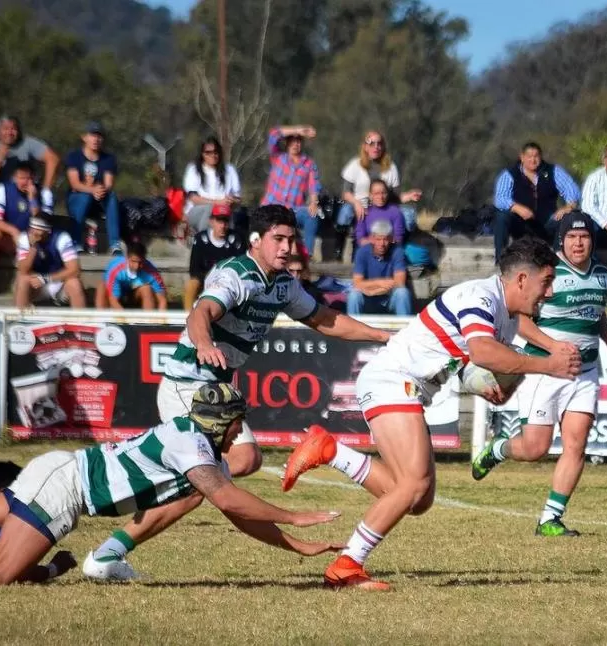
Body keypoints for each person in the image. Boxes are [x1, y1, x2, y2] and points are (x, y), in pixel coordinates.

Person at [82, 205, 391, 582]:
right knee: (213, 479)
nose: (286, 246)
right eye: (278, 239)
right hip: (188, 387)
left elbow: (325, 320)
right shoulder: (236, 275)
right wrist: (203, 344)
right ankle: (113, 545)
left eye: (291, 239)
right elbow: (201, 313)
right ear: (256, 241)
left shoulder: (283, 284)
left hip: (214, 391)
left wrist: (382, 337)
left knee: (241, 462)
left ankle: (120, 538)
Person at [281, 237, 582, 590]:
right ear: (521, 280)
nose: (548, 292)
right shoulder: (480, 297)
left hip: (404, 386)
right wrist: (548, 364)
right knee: (413, 485)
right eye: (546, 282)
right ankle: (347, 564)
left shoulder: (509, 316)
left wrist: (504, 384)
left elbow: (493, 364)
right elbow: (483, 352)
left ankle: (330, 450)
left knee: (416, 499)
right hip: (393, 380)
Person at [0, 383, 344, 585]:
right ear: (225, 422)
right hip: (65, 491)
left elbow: (238, 514)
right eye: (238, 424)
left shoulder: (197, 447)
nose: (240, 433)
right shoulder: (190, 444)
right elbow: (230, 501)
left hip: (59, 469)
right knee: (1, 572)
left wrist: (296, 545)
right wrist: (293, 515)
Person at [471, 212, 607, 536]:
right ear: (562, 240)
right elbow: (521, 321)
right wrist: (553, 345)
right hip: (545, 370)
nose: (578, 243)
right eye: (571, 237)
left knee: (576, 444)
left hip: (584, 372)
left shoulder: (602, 273)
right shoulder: (548, 274)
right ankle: (499, 448)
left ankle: (550, 519)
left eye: (584, 236)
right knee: (535, 449)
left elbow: (595, 314)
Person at [335, 130, 422, 258]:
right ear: (365, 146)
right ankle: (339, 250)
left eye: (379, 143)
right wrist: (356, 203)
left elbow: (395, 197)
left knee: (408, 214)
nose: (376, 147)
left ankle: (401, 249)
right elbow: (345, 193)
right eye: (372, 143)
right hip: (359, 205)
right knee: (345, 213)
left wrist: (409, 196)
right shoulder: (355, 165)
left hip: (383, 205)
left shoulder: (391, 167)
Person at [493, 142, 581, 262]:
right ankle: (501, 259)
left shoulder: (553, 171)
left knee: (568, 217)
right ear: (522, 157)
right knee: (501, 216)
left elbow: (573, 191)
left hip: (546, 224)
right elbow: (500, 199)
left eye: (536, 156)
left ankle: (560, 260)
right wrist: (516, 207)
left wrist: (569, 206)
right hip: (521, 225)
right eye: (529, 156)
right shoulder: (510, 174)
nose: (533, 160)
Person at [0, 162, 55, 293]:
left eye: (30, 178)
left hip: (34, 240)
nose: (27, 182)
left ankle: (27, 285)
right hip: (11, 239)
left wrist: (32, 199)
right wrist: (14, 231)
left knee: (38, 237)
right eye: (22, 178)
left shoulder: (44, 194)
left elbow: (43, 224)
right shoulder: (3, 189)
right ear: (15, 178)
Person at [0, 116, 60, 209]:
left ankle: (40, 218)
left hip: (24, 190)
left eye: (13, 129)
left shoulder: (28, 143)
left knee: (47, 196)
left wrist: (46, 189)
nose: (10, 133)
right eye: (6, 129)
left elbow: (53, 159)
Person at [261, 125, 322, 255]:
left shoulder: (308, 164)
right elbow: (273, 134)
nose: (296, 144)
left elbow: (314, 187)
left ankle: (306, 255)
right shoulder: (278, 157)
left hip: (293, 210)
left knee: (312, 215)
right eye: (292, 141)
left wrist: (313, 202)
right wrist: (299, 130)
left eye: (299, 141)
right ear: (287, 143)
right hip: (272, 206)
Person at [64, 121, 122, 254]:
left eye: (99, 136)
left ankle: (115, 243)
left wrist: (101, 190)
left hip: (98, 199)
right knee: (84, 196)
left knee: (112, 196)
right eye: (92, 135)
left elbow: (108, 183)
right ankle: (76, 242)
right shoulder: (74, 157)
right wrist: (92, 190)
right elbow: (75, 184)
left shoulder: (108, 159)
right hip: (77, 200)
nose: (96, 139)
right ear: (84, 137)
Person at [14, 217, 86, 308]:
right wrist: (33, 247)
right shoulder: (24, 238)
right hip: (36, 285)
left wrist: (46, 279)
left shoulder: (62, 238)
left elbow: (75, 270)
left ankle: (79, 320)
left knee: (74, 283)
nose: (33, 232)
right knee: (22, 279)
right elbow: (23, 270)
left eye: (38, 228)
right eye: (32, 228)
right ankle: (20, 317)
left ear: (48, 230)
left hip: (59, 283)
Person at [185, 203, 245, 312]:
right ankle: (188, 317)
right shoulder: (200, 239)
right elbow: (194, 269)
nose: (222, 225)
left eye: (225, 221)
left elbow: (241, 268)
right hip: (204, 279)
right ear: (211, 221)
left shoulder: (236, 240)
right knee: (192, 284)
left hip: (229, 282)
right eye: (219, 221)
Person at [347, 220, 412, 316]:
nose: (381, 244)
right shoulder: (362, 252)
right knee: (354, 295)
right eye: (378, 239)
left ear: (390, 239)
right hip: (368, 298)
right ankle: (352, 328)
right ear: (372, 239)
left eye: (385, 239)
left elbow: (399, 282)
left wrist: (373, 290)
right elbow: (357, 283)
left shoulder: (397, 252)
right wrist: (380, 283)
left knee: (402, 292)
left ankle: (405, 328)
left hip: (389, 298)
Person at [183, 136, 242, 234]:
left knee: (226, 214)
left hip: (224, 210)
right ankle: (205, 241)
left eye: (215, 152)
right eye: (208, 152)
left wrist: (231, 201)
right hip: (198, 211)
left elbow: (238, 198)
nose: (213, 155)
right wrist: (218, 202)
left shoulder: (230, 170)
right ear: (202, 154)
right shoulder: (193, 169)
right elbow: (193, 198)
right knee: (211, 210)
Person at [95, 241, 167, 310]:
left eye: (140, 262)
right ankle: (102, 320)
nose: (137, 266)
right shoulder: (115, 269)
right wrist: (125, 320)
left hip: (135, 297)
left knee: (146, 289)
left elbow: (162, 300)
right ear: (127, 259)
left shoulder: (151, 272)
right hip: (117, 297)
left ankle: (149, 320)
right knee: (102, 286)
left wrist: (160, 320)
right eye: (134, 261)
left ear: (145, 259)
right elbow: (113, 300)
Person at [354, 179, 405, 247]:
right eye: (376, 193)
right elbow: (360, 240)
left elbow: (398, 239)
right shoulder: (364, 212)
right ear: (370, 195)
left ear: (387, 194)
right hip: (369, 249)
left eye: (383, 193)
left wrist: (384, 240)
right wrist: (374, 241)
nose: (380, 197)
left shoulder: (395, 212)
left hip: (390, 249)